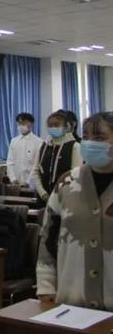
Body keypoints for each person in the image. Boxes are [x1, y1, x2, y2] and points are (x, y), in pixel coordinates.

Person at [36, 112, 113, 311]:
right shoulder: (67, 182)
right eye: (86, 137)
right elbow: (48, 238)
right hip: (73, 302)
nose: (90, 143)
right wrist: (46, 285)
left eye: (99, 138)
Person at [34, 111, 83, 205]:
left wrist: (58, 196)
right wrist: (43, 194)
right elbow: (36, 172)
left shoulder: (75, 146)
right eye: (50, 125)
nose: (53, 128)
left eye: (56, 125)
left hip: (65, 198)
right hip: (43, 198)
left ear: (65, 127)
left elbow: (76, 174)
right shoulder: (43, 146)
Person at [6, 112, 43, 186]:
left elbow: (36, 165)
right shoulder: (14, 141)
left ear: (31, 124)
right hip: (15, 183)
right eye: (19, 123)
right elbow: (10, 161)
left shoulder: (39, 142)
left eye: (24, 123)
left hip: (31, 183)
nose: (21, 126)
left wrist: (28, 182)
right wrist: (12, 179)